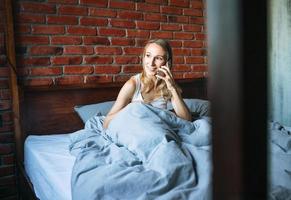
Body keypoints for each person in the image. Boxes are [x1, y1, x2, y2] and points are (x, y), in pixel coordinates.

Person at [103, 39, 191, 129]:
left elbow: (187, 120)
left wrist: (172, 88)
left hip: (158, 130)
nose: (151, 63)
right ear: (144, 57)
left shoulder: (168, 84)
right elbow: (106, 123)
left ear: (167, 62)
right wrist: (132, 109)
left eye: (158, 58)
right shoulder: (132, 85)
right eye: (148, 55)